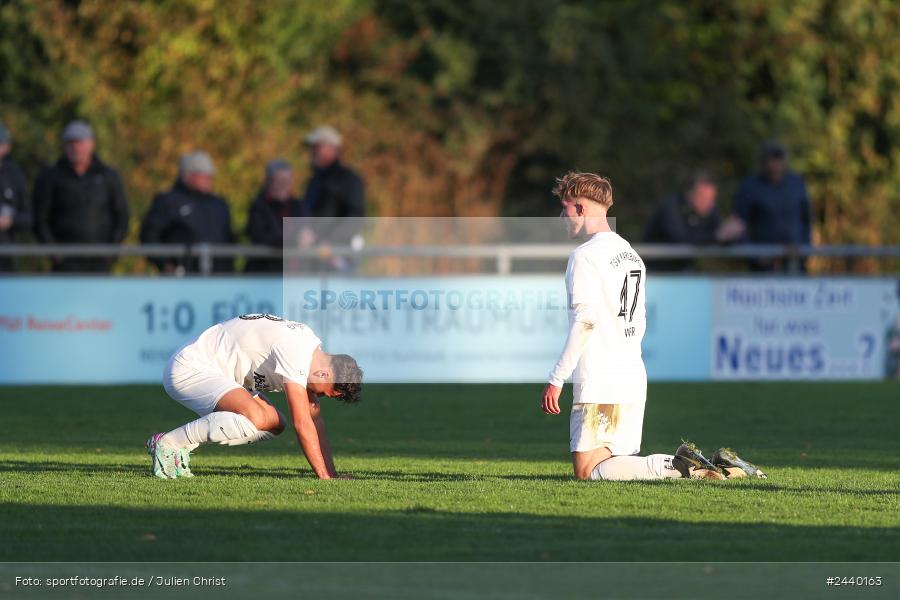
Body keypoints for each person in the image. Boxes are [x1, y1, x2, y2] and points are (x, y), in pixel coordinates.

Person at [540, 171, 765, 481]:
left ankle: (682, 464)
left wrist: (557, 378)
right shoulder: (631, 255)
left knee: (587, 471)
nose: (561, 216)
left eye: (564, 208)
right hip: (632, 375)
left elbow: (585, 321)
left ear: (580, 208)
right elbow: (640, 321)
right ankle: (712, 467)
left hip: (600, 379)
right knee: (617, 462)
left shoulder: (584, 257)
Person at [146, 313, 363, 480]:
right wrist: (324, 477)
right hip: (190, 368)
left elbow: (315, 419)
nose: (317, 396)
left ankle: (182, 445)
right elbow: (302, 422)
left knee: (276, 423)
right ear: (324, 373)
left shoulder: (308, 350)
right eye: (322, 392)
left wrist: (331, 474)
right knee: (257, 418)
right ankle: (169, 443)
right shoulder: (297, 352)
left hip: (217, 372)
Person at [32, 120, 129, 272]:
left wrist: (112, 250)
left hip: (100, 262)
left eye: (80, 142)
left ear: (91, 144)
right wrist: (53, 251)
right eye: (70, 143)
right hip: (65, 264)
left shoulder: (108, 176)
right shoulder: (50, 177)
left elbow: (122, 216)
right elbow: (40, 219)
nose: (75, 148)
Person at [140, 151, 235, 274]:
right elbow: (149, 236)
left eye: (209, 175)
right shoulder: (168, 202)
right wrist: (165, 264)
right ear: (187, 175)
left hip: (218, 278)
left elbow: (229, 239)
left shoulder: (219, 204)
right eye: (203, 174)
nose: (208, 179)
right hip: (183, 279)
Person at [732, 141, 812, 271]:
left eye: (779, 160)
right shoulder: (750, 186)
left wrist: (805, 249)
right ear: (763, 162)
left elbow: (806, 220)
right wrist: (754, 254)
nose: (775, 166)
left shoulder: (797, 183)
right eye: (771, 160)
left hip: (794, 262)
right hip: (763, 266)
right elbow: (737, 226)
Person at [300, 126, 365, 272]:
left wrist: (330, 241)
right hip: (313, 259)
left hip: (337, 258)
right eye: (312, 148)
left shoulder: (348, 179)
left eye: (317, 147)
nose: (312, 151)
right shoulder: (314, 181)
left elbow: (355, 217)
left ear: (332, 148)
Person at [642, 171, 724, 271]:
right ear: (689, 194)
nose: (708, 203)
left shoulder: (710, 209)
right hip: (653, 270)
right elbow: (682, 240)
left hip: (681, 269)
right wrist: (716, 236)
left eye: (711, 199)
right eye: (702, 197)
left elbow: (720, 234)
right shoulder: (671, 207)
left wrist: (730, 235)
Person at [245, 159, 304, 273]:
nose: (284, 185)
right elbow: (260, 237)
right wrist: (292, 240)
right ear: (268, 181)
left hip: (295, 274)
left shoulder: (298, 206)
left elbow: (310, 231)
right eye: (280, 180)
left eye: (287, 180)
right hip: (267, 275)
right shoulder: (259, 207)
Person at [0, 122, 31, 272]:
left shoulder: (15, 175)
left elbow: (28, 217)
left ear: (7, 147)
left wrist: (11, 221)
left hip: (5, 257)